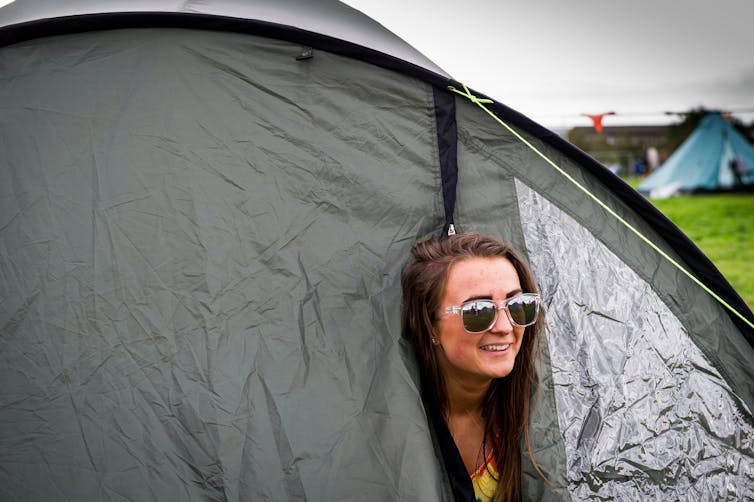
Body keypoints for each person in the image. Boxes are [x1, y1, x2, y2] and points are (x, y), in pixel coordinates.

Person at [402, 233, 544, 502]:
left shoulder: (528, 416)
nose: (505, 327)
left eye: (517, 305)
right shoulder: (397, 421)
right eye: (478, 311)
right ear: (430, 325)